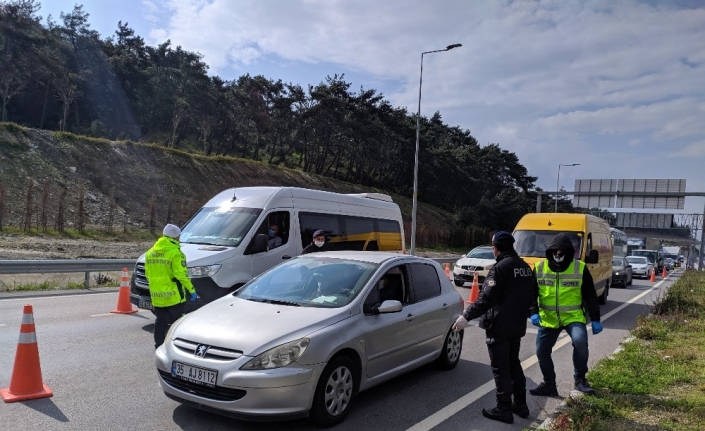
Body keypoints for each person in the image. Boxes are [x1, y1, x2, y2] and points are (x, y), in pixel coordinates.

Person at [453, 231, 537, 424]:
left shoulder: (500, 268)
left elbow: (486, 299)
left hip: (499, 326)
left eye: (493, 246)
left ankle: (503, 408)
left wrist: (466, 316)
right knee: (513, 364)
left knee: (500, 369)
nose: (492, 249)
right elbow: (531, 295)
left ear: (496, 247)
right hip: (516, 325)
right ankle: (521, 405)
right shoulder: (524, 267)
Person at [529, 233, 603, 397]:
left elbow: (590, 295)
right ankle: (549, 384)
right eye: (556, 250)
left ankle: (580, 380)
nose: (559, 253)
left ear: (570, 252)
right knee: (541, 352)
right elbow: (531, 294)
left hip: (573, 317)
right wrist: (533, 312)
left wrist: (596, 319)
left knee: (580, 342)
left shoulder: (580, 268)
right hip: (548, 318)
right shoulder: (540, 268)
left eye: (563, 250)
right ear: (550, 251)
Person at [145, 224, 197, 349]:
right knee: (177, 323)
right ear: (175, 236)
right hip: (174, 295)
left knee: (160, 322)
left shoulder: (150, 252)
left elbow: (148, 274)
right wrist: (192, 290)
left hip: (157, 295)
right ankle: (175, 348)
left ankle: (159, 346)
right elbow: (181, 275)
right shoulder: (175, 253)